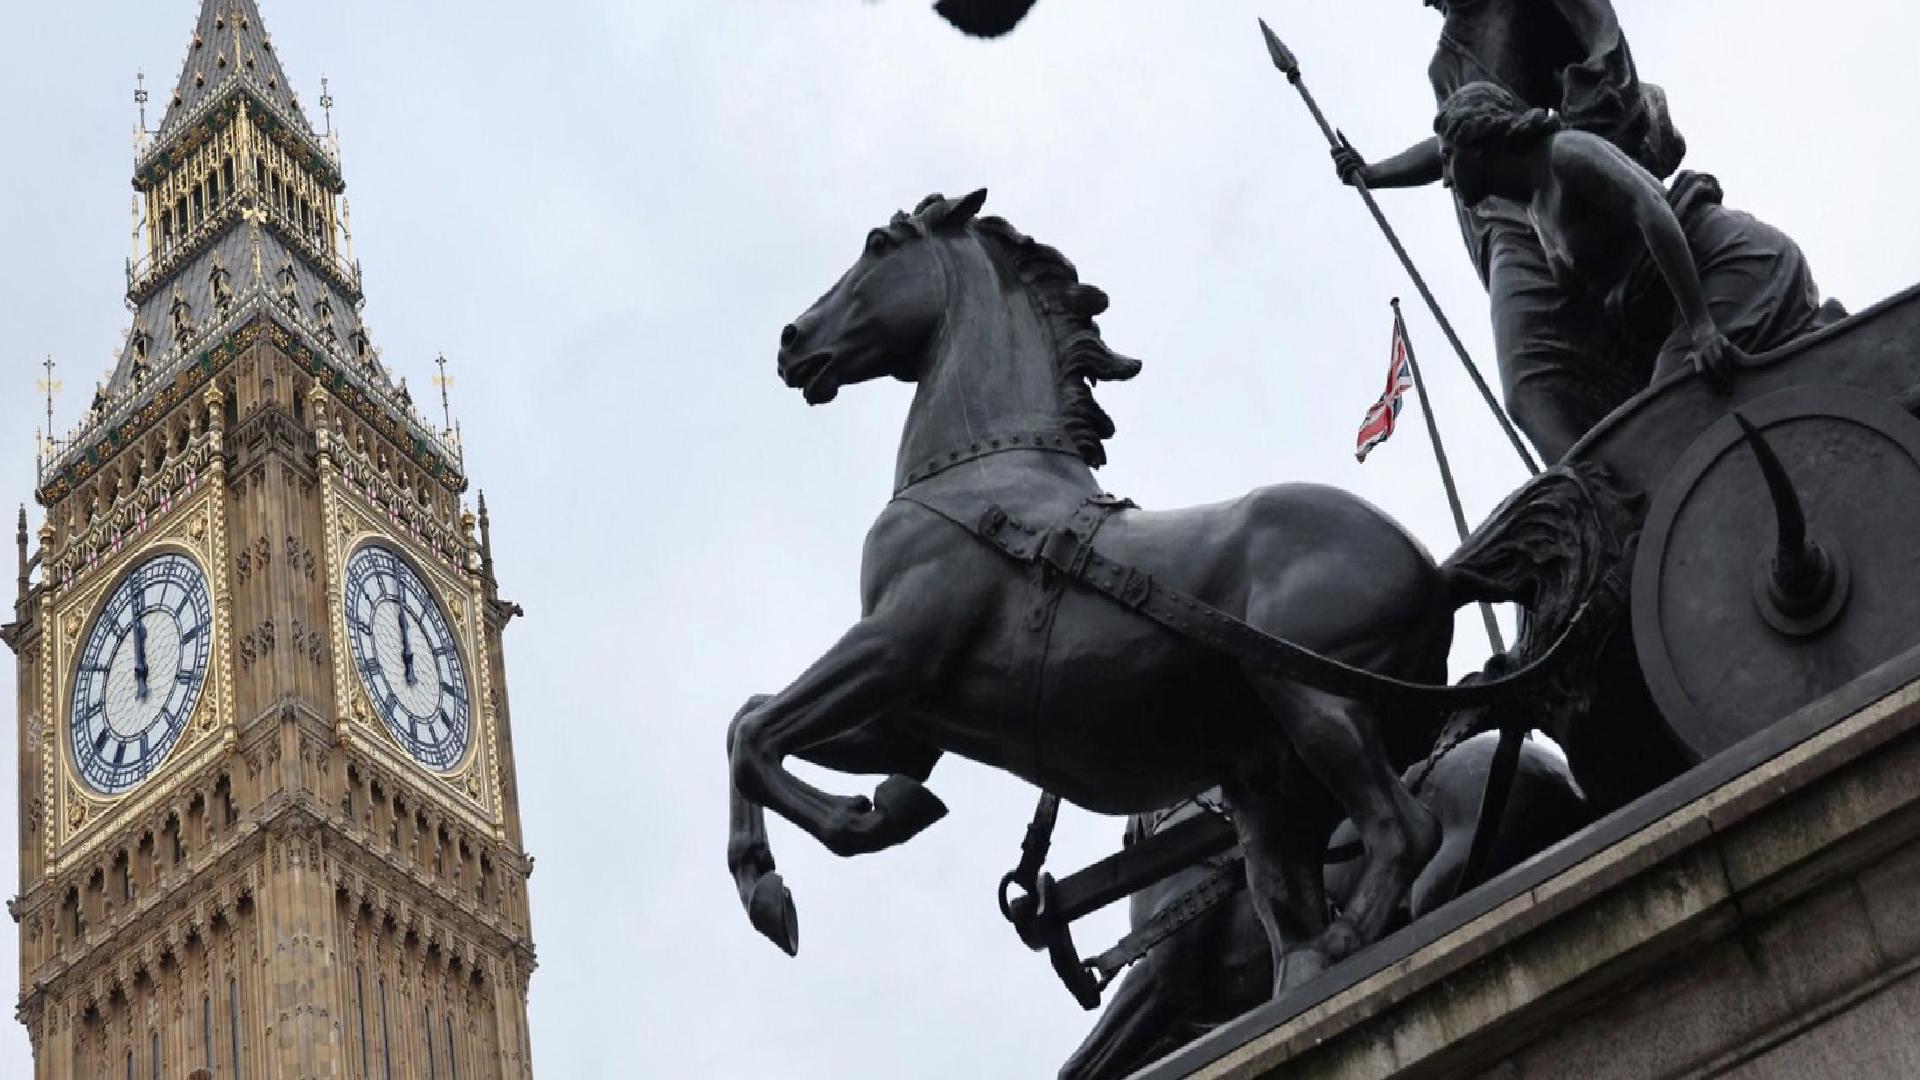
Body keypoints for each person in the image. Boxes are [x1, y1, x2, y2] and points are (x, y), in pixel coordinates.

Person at [1334, 0, 1686, 462]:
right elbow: (1450, 143)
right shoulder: (1445, 62)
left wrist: (1602, 82)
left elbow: (1599, 38)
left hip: (1551, 191)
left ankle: (1607, 492)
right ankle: (1604, 490)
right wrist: (1375, 172)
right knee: (1541, 378)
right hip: (1496, 219)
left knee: (1542, 371)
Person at [1433, 82, 1841, 388]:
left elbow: (1652, 208)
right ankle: (1822, 338)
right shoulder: (1535, 210)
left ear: (1478, 141)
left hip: (1727, 264)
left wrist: (1701, 327)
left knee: (1670, 413)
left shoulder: (1564, 154)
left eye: (1449, 160)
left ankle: (1829, 341)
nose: (1446, 180)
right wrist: (1373, 176)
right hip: (1679, 308)